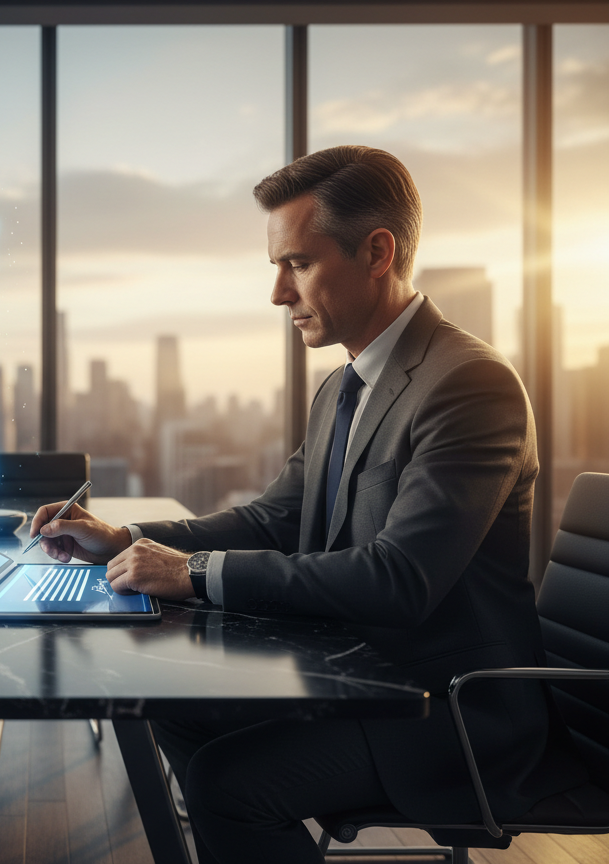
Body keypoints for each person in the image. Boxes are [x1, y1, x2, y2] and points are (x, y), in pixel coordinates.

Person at [29, 145, 584, 863]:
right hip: (354, 672)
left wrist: (191, 572)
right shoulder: (343, 386)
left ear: (377, 252)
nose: (277, 295)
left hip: (449, 708)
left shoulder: (470, 384)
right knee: (169, 705)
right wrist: (122, 536)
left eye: (297, 264)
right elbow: (275, 519)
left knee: (231, 783)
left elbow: (399, 580)